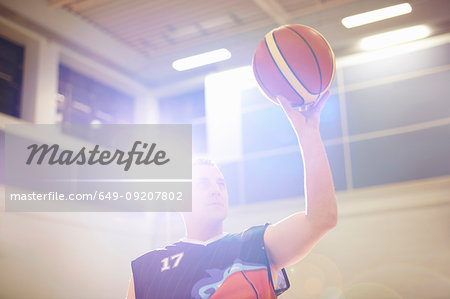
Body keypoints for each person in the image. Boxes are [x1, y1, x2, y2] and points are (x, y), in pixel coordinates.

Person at [126, 92, 338, 298]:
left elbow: (321, 218)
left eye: (221, 184)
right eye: (202, 184)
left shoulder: (254, 246)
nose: (215, 190)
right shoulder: (147, 268)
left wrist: (309, 134)